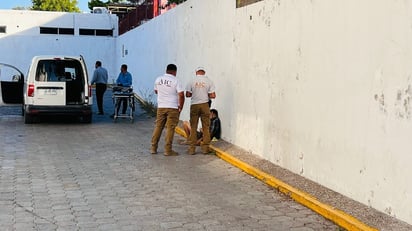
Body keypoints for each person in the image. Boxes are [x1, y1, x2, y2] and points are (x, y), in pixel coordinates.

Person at [150, 64, 185, 156]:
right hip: (172, 107)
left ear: (166, 70)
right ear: (175, 72)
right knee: (170, 128)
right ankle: (167, 150)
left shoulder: (158, 79)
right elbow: (181, 94)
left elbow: (156, 91)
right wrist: (180, 106)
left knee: (158, 126)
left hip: (161, 106)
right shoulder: (176, 80)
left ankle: (153, 148)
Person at [186, 67, 216, 155]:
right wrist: (205, 94)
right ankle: (205, 149)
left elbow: (187, 94)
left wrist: (195, 93)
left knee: (193, 127)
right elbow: (213, 95)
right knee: (206, 127)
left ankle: (192, 149)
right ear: (204, 72)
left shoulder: (191, 81)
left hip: (194, 105)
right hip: (205, 105)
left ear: (196, 72)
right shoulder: (209, 81)